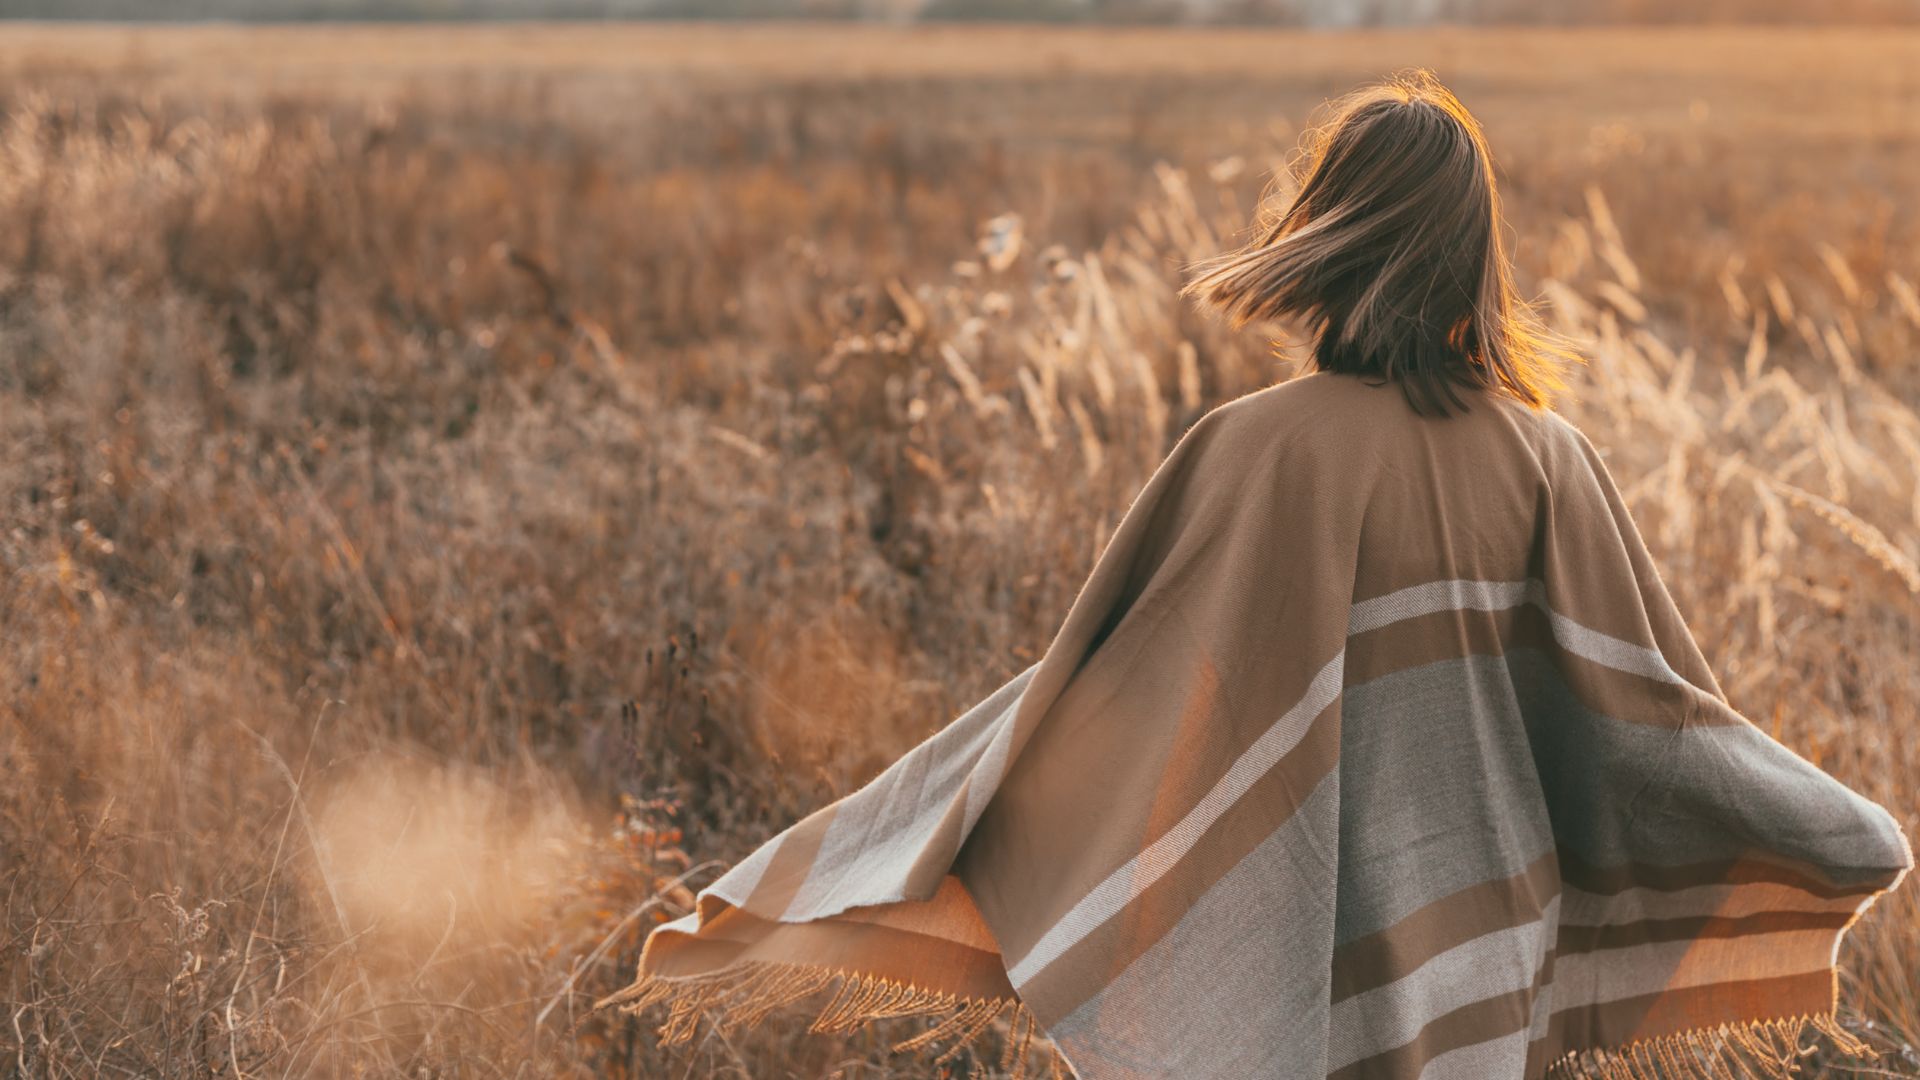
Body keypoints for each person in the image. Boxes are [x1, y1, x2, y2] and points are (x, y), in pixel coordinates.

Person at [603, 71, 1911, 1080]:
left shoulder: (1250, 451)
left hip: (1291, 930)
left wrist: (864, 849)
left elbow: (1093, 701)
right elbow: (1656, 722)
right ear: (1474, 251)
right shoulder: (1547, 461)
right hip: (1485, 946)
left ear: (1326, 234)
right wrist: (1834, 831)